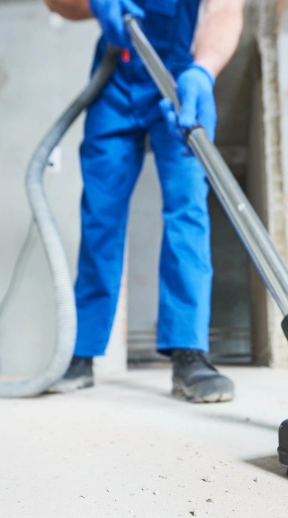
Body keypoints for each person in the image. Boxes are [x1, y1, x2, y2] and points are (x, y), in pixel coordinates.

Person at [44, 0, 246, 402]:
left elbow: (224, 8)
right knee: (100, 215)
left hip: (177, 75)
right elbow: (57, 3)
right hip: (115, 78)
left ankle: (189, 353)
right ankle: (80, 353)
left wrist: (203, 70)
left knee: (187, 208)